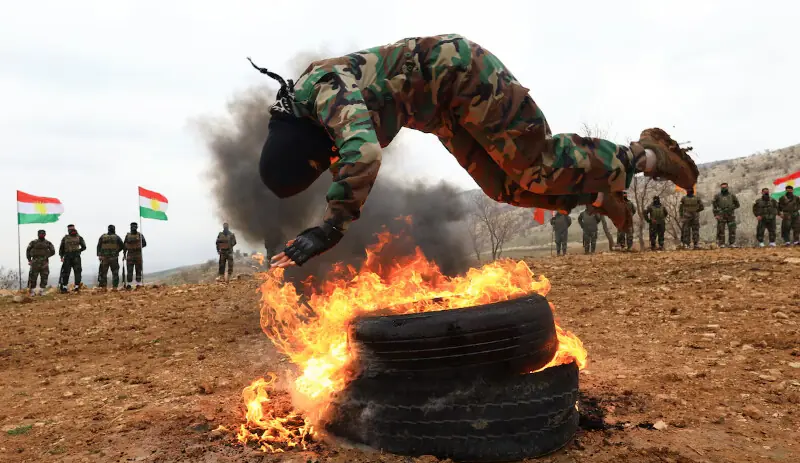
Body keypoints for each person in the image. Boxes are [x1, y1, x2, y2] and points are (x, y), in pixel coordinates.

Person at [249, 34, 699, 268]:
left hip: (461, 74)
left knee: (535, 162)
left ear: (304, 147)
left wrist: (331, 228)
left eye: (322, 160)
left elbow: (363, 153)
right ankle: (600, 195)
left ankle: (646, 155)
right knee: (505, 186)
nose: (331, 160)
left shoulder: (321, 92)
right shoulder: (306, 112)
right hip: (441, 110)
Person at [25, 229, 56, 296]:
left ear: (45, 235)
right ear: (38, 234)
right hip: (35, 261)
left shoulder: (48, 243)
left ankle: (42, 290)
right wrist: (29, 259)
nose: (41, 235)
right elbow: (28, 250)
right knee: (33, 276)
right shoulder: (33, 242)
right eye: (40, 234)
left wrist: (46, 256)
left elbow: (53, 251)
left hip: (44, 262)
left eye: (43, 234)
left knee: (44, 276)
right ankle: (32, 291)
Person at [58, 224, 86, 293]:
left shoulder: (78, 237)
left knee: (75, 272)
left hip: (72, 256)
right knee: (67, 272)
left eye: (71, 228)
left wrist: (78, 251)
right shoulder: (66, 238)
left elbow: (84, 247)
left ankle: (73, 287)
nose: (70, 230)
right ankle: (69, 287)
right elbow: (61, 248)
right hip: (70, 256)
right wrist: (61, 256)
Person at [97, 225, 125, 290]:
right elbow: (122, 246)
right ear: (114, 229)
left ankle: (104, 287)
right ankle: (115, 287)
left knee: (103, 273)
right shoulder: (117, 237)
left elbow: (98, 246)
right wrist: (116, 251)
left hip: (104, 258)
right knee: (115, 273)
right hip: (114, 258)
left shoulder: (103, 237)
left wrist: (100, 255)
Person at [712, 182, 740, 248]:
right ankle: (722, 244)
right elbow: (714, 206)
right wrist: (716, 215)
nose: (724, 188)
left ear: (727, 187)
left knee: (732, 229)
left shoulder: (732, 195)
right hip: (721, 214)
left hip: (730, 215)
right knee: (721, 230)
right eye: (722, 187)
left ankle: (732, 243)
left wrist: (731, 208)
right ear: (721, 188)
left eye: (725, 187)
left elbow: (737, 205)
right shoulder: (717, 196)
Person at [124, 222, 147, 289]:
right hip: (130, 255)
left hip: (138, 255)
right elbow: (125, 245)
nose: (133, 227)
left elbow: (145, 243)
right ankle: (129, 284)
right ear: (130, 227)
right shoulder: (127, 236)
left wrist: (139, 246)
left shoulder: (140, 235)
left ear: (137, 227)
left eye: (134, 226)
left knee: (138, 270)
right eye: (132, 226)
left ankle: (138, 284)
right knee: (129, 270)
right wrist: (124, 254)